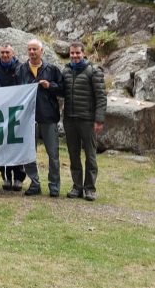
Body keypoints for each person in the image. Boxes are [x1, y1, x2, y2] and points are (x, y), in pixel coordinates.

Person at [60, 42, 106, 202]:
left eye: (77, 53)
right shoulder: (65, 71)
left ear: (83, 54)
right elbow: (60, 91)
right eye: (72, 53)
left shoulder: (94, 71)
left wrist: (99, 119)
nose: (74, 56)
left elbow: (101, 97)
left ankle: (90, 188)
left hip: (87, 120)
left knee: (90, 155)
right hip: (70, 120)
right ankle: (77, 186)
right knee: (73, 155)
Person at [19, 39, 63, 197]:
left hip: (48, 118)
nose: (32, 52)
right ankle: (34, 183)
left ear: (41, 51)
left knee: (53, 155)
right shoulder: (21, 69)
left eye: (35, 49)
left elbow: (62, 90)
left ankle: (54, 185)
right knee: (29, 154)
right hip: (28, 119)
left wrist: (50, 86)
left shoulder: (52, 69)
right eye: (29, 49)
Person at [0, 44, 25, 192]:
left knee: (17, 143)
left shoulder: (21, 67)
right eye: (2, 52)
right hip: (0, 112)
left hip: (18, 112)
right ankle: (6, 176)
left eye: (8, 52)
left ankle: (19, 177)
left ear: (13, 53)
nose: (5, 55)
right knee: (2, 145)